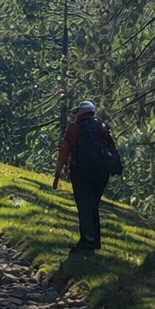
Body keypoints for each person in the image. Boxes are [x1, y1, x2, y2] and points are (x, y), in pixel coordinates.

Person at [53, 100, 117, 253]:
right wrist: (114, 168)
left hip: (81, 171)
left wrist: (57, 173)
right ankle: (94, 241)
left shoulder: (74, 128)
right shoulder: (101, 127)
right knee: (93, 205)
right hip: (102, 173)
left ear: (81, 113)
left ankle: (86, 242)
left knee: (84, 206)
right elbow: (112, 148)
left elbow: (64, 151)